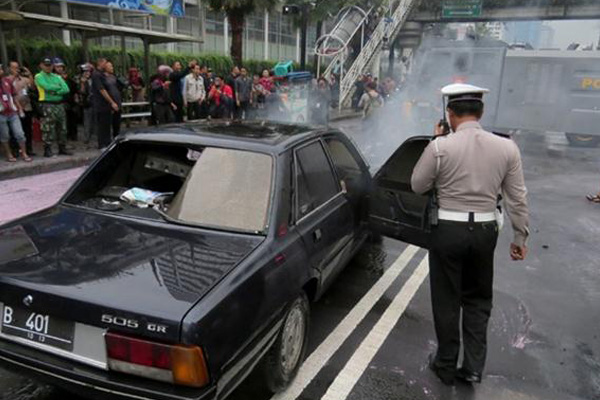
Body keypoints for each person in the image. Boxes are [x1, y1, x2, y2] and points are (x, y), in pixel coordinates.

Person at [411, 83, 529, 386]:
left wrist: (436, 143)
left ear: (450, 114)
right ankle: (474, 367)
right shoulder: (507, 147)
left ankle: (446, 364)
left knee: (447, 298)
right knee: (478, 299)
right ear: (482, 111)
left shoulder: (440, 147)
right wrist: (520, 238)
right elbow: (517, 197)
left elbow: (417, 186)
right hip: (486, 230)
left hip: (448, 230)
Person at [34, 57, 71, 157]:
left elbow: (66, 89)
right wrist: (58, 89)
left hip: (59, 104)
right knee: (48, 128)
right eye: (46, 65)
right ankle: (47, 149)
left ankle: (62, 147)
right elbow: (46, 87)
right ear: (41, 65)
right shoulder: (39, 76)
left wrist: (55, 91)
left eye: (50, 65)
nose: (48, 67)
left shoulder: (56, 76)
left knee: (62, 127)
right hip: (47, 104)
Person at [0, 64, 31, 162]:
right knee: (5, 136)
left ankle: (24, 153)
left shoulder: (6, 81)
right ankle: (9, 154)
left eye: (1, 68)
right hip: (1, 114)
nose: (1, 70)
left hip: (12, 112)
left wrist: (20, 108)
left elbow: (13, 96)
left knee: (20, 134)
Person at [8, 61, 35, 156]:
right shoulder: (7, 80)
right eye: (13, 67)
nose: (16, 69)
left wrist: (29, 74)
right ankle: (15, 149)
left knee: (27, 130)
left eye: (17, 67)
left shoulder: (24, 79)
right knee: (14, 130)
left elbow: (33, 87)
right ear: (9, 68)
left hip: (26, 107)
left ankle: (29, 149)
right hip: (13, 109)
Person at [96, 61, 123, 147]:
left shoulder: (114, 77)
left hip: (117, 102)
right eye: (110, 66)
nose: (112, 68)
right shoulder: (102, 78)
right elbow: (102, 90)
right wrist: (111, 102)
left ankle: (116, 140)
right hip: (108, 104)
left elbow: (121, 87)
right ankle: (105, 143)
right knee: (106, 125)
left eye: (112, 66)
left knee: (117, 124)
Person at [53, 58, 79, 141]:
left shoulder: (68, 78)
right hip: (59, 102)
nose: (60, 69)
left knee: (72, 120)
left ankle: (73, 135)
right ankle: (63, 137)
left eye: (61, 67)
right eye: (57, 67)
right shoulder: (52, 78)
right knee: (62, 122)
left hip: (70, 102)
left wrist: (76, 98)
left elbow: (74, 88)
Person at [77, 63, 94, 144]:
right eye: (85, 72)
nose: (87, 73)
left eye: (88, 71)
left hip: (94, 102)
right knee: (87, 121)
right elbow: (81, 92)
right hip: (86, 103)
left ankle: (94, 136)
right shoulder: (80, 80)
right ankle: (87, 137)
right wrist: (83, 83)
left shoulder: (93, 80)